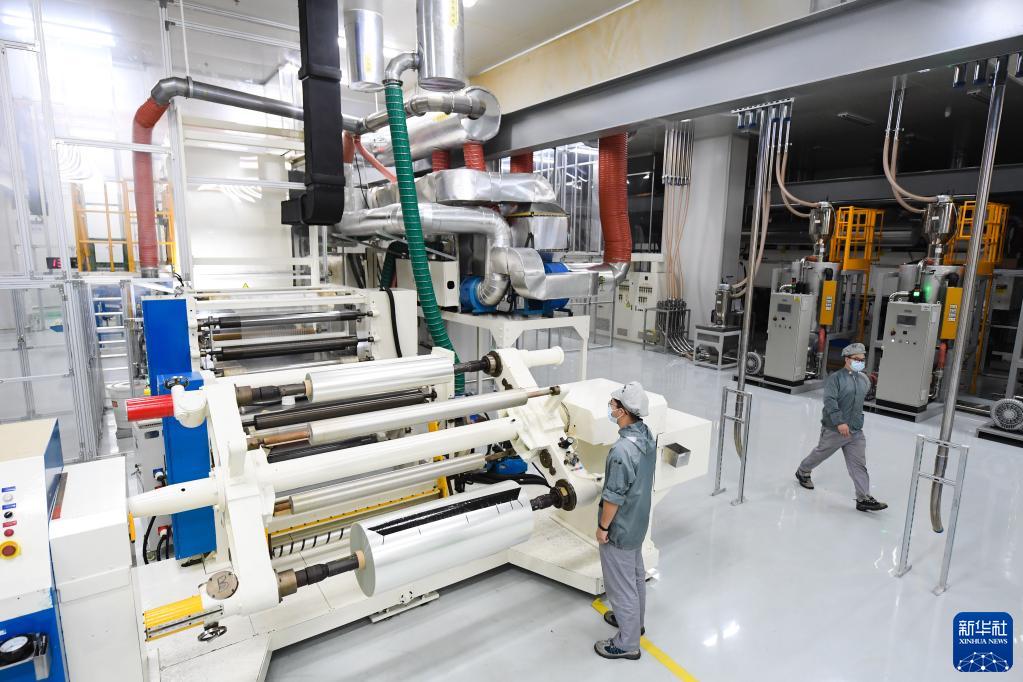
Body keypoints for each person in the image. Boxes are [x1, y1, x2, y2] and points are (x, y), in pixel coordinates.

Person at [594, 381, 657, 661]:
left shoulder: (621, 451)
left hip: (620, 528)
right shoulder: (646, 436)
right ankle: (634, 624)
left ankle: (627, 643)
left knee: (621, 588)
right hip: (638, 520)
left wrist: (603, 527)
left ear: (623, 411)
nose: (610, 407)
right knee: (635, 576)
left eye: (613, 404)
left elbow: (613, 498)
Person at [795, 342, 887, 512]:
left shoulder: (863, 380)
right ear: (847, 359)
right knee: (821, 453)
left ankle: (863, 498)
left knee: (858, 465)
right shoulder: (835, 379)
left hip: (855, 431)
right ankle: (803, 471)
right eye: (856, 359)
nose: (860, 362)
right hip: (835, 429)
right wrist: (839, 422)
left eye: (862, 359)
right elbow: (830, 401)